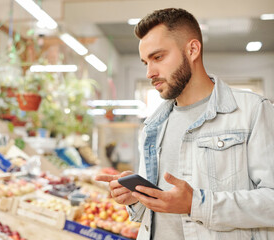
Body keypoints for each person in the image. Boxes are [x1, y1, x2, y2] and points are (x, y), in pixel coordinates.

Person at [95, 8, 274, 240]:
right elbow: (161, 211)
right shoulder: (153, 126)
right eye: (145, 62)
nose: (150, 72)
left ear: (192, 49)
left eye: (158, 57)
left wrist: (195, 204)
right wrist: (138, 197)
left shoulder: (251, 110)